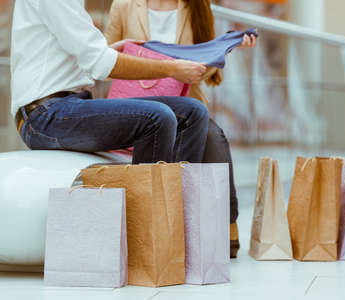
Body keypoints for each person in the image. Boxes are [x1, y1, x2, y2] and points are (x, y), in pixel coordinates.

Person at [104, 0, 257, 259]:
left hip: (187, 104)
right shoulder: (124, 5)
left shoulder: (196, 7)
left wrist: (224, 49)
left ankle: (226, 223)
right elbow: (105, 59)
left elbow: (208, 67)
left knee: (213, 137)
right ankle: (170, 225)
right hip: (135, 103)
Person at [10, 0, 210, 165]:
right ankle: (149, 210)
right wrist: (171, 69)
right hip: (44, 116)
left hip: (68, 106)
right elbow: (101, 64)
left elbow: (80, 57)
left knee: (192, 112)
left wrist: (110, 51)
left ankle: (178, 207)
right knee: (157, 117)